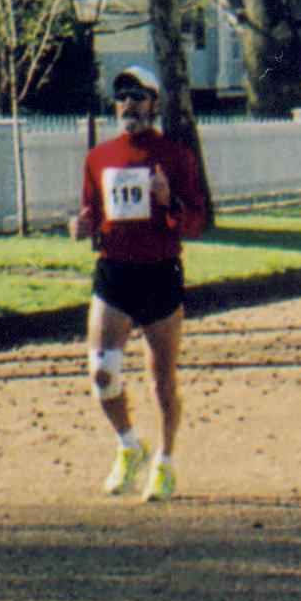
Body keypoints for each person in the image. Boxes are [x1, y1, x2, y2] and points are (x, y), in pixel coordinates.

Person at [75, 67, 215, 500]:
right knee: (102, 372)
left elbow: (196, 222)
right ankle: (129, 446)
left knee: (162, 381)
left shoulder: (176, 157)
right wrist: (81, 224)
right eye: (121, 97)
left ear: (154, 103)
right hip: (115, 271)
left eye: (137, 96)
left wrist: (167, 200)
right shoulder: (98, 158)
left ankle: (166, 461)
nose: (128, 105)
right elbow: (92, 212)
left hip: (159, 272)